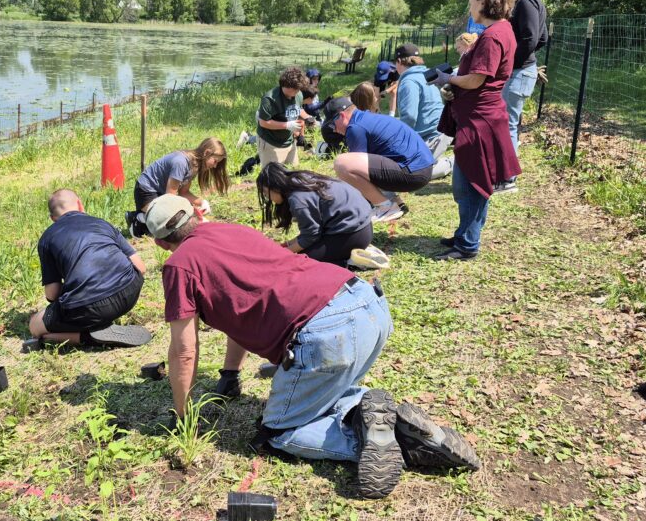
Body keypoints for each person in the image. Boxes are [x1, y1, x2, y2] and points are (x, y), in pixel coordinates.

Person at [144, 194, 479, 500]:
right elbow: (239, 308)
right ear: (195, 216)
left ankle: (393, 443)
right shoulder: (229, 231)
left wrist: (183, 415)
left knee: (279, 432)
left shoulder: (179, 265)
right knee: (323, 395)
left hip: (326, 334)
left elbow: (184, 350)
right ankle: (375, 413)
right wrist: (230, 374)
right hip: (366, 304)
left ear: (160, 242)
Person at [429, 0, 522, 261]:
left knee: (469, 184)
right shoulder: (500, 31)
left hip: (479, 121)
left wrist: (449, 79)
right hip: (478, 117)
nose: (470, 7)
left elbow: (477, 79)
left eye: (472, 2)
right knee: (467, 181)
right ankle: (465, 234)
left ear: (486, 1)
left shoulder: (494, 36)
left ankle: (468, 244)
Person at [30, 189, 150, 349]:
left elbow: (52, 294)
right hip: (129, 293)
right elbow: (141, 267)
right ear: (80, 205)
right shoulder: (102, 223)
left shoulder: (47, 238)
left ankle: (87, 336)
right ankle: (97, 326)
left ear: (53, 219)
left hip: (87, 308)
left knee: (34, 325)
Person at [324, 97, 435, 222]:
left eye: (332, 124)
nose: (334, 129)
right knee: (364, 166)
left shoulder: (355, 128)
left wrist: (332, 199)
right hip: (423, 168)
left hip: (413, 173)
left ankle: (386, 207)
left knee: (341, 163)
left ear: (342, 116)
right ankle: (393, 201)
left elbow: (354, 174)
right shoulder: (367, 118)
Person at [256, 163, 374, 267]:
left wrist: (284, 253)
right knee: (302, 251)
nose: (268, 199)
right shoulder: (301, 180)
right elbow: (311, 232)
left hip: (355, 234)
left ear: (276, 187)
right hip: (364, 226)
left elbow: (310, 236)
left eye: (267, 194)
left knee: (304, 259)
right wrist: (287, 244)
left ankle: (347, 261)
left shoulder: (298, 200)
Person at [499, 0, 549, 190]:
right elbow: (543, 38)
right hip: (523, 69)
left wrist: (511, 61)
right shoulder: (535, 0)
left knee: (508, 123)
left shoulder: (526, 2)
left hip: (518, 73)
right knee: (511, 122)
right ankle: (506, 173)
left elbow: (530, 39)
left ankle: (508, 178)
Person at [127, 137, 229, 237]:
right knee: (169, 225)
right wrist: (193, 213)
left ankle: (147, 217)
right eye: (215, 161)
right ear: (206, 153)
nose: (215, 166)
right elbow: (170, 197)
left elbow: (184, 193)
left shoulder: (194, 165)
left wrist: (202, 202)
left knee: (177, 222)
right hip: (145, 191)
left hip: (160, 193)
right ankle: (139, 219)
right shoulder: (181, 163)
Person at [392, 43, 453, 180]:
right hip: (439, 132)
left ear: (399, 62)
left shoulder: (408, 82)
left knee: (409, 175)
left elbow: (410, 117)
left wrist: (399, 143)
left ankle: (454, 163)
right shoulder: (425, 75)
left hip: (432, 137)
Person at [256, 67, 310, 169]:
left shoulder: (298, 94)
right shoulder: (270, 99)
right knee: (273, 176)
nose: (298, 92)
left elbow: (299, 108)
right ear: (287, 86)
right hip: (271, 142)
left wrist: (307, 117)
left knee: (294, 171)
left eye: (299, 89)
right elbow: (263, 122)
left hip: (289, 141)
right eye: (296, 89)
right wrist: (287, 125)